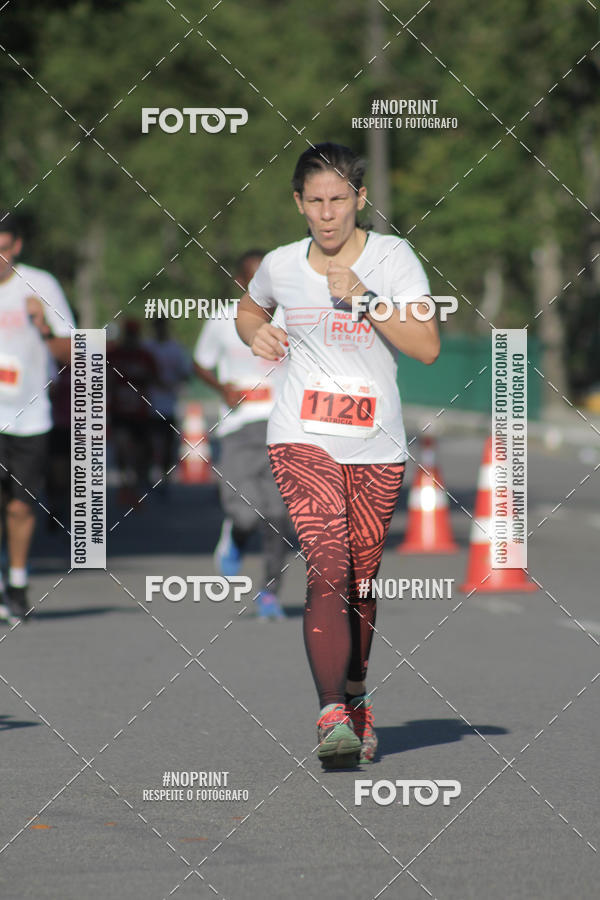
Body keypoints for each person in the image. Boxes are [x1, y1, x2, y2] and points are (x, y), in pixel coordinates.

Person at [235, 143, 440, 767]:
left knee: (361, 575)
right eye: (315, 202)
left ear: (360, 200)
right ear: (298, 203)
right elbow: (250, 307)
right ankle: (331, 715)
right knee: (326, 563)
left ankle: (355, 695)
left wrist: (369, 299)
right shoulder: (279, 264)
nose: (327, 215)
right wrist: (256, 331)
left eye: (339, 201)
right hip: (301, 435)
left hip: (376, 443)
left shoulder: (393, 257)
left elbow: (427, 346)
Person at [194, 251, 289, 620]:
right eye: (254, 278)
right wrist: (222, 389)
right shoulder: (221, 320)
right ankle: (234, 537)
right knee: (248, 515)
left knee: (280, 517)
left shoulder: (293, 318)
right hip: (236, 428)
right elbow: (200, 364)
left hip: (283, 427)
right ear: (240, 282)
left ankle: (269, 592)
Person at [0, 211, 74, 623]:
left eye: (4, 251)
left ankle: (17, 582)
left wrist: (44, 327)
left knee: (20, 508)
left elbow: (71, 353)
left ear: (17, 247)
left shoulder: (41, 285)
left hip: (30, 416)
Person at [107, 318, 159, 505]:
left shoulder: (145, 356)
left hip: (140, 411)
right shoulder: (114, 355)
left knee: (139, 451)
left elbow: (155, 378)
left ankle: (136, 485)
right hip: (120, 410)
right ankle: (123, 483)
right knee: (121, 447)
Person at [145, 318, 192, 491]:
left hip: (170, 404)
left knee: (167, 442)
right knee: (150, 441)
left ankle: (164, 475)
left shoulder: (175, 349)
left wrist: (173, 383)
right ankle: (148, 472)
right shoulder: (147, 348)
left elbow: (186, 373)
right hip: (148, 405)